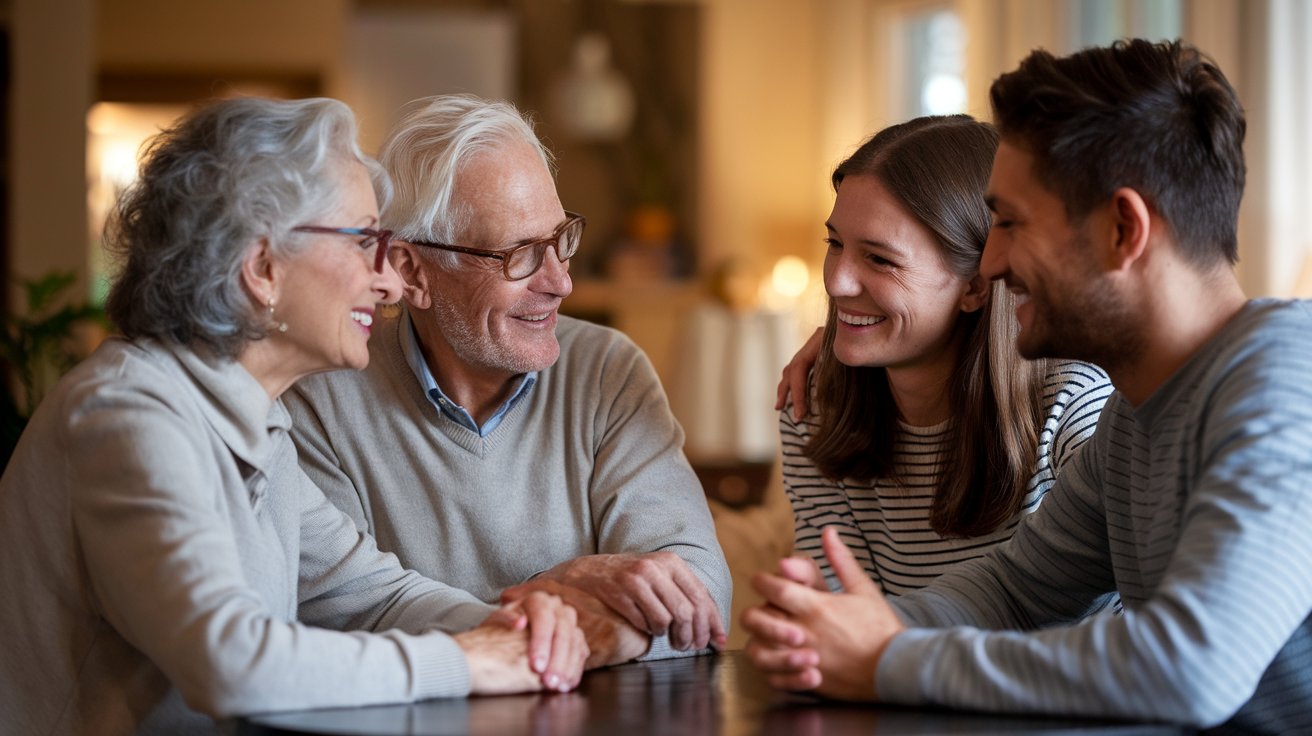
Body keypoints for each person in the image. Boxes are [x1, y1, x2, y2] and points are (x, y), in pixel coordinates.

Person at [742, 38, 1312, 734]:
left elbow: (1192, 666)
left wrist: (890, 658)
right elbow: (1014, 593)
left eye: (1010, 223)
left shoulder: (1287, 379)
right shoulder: (1138, 417)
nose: (991, 259)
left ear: (1122, 230)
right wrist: (832, 632)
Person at [0, 97, 588, 736]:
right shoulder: (126, 413)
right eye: (366, 241)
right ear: (263, 266)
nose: (390, 284)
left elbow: (372, 595)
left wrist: (512, 626)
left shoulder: (258, 425)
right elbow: (231, 662)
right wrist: (465, 661)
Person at [284, 94, 731, 666]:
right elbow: (345, 618)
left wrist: (555, 635)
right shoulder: (322, 393)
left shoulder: (608, 370)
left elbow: (696, 592)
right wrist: (551, 597)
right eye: (521, 255)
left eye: (561, 239)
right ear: (411, 272)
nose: (561, 282)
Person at [773, 115, 1111, 595]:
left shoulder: (1072, 407)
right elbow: (838, 622)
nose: (836, 282)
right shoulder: (815, 403)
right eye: (835, 244)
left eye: (880, 259)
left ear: (975, 285)